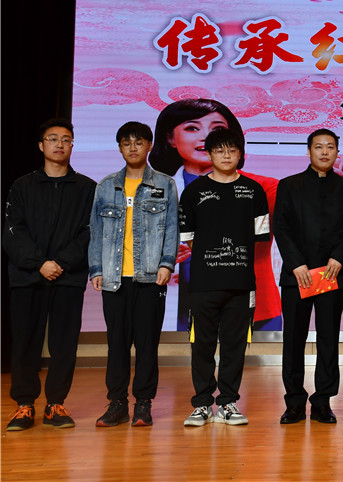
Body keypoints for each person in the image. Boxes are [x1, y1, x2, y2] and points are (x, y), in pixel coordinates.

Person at [150, 98, 280, 331]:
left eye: (217, 129)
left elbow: (299, 219)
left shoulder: (264, 188)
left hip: (252, 304)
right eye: (192, 128)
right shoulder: (155, 190)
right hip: (178, 304)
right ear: (170, 138)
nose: (206, 137)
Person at [4, 119, 96, 431]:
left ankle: (56, 404)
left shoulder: (87, 188)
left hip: (68, 277)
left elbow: (89, 232)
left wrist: (61, 262)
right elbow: (13, 231)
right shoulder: (22, 186)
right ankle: (24, 404)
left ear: (73, 145)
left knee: (64, 343)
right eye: (53, 138)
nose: (59, 144)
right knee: (25, 342)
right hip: (27, 276)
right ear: (41, 145)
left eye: (66, 139)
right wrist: (40, 262)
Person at [88, 121, 179, 428]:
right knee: (117, 344)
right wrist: (97, 268)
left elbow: (172, 227)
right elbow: (95, 230)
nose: (133, 148)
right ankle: (117, 403)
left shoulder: (165, 184)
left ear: (149, 145)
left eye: (138, 142)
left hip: (150, 277)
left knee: (147, 343)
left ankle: (143, 403)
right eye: (126, 143)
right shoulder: (106, 185)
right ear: (120, 148)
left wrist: (167, 264)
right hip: (114, 279)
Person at [179, 127, 270, 427]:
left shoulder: (254, 190)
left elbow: (259, 236)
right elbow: (189, 238)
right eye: (219, 150)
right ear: (210, 154)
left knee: (235, 346)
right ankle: (202, 404)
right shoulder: (194, 192)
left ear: (241, 154)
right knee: (201, 346)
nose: (226, 155)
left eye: (232, 150)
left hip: (241, 284)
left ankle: (228, 403)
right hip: (203, 284)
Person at [273, 129, 343, 425]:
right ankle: (294, 402)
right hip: (297, 276)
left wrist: (339, 257)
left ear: (337, 152)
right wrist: (295, 264)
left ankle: (323, 401)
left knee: (328, 339)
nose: (324, 152)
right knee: (293, 340)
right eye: (319, 147)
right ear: (308, 151)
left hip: (331, 273)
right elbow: (280, 226)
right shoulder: (289, 185)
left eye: (330, 147)